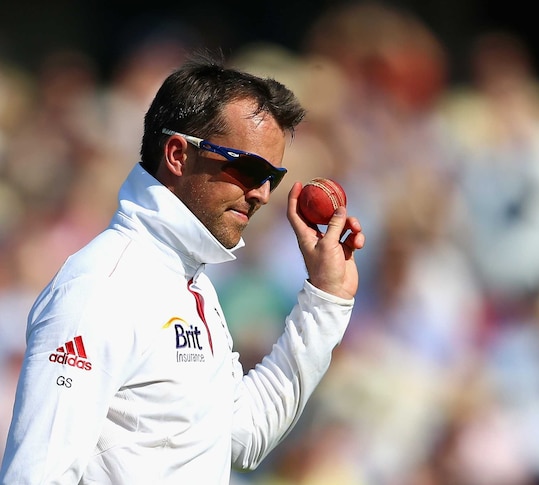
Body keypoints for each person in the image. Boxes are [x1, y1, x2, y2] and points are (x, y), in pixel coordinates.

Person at [0, 50, 364, 484]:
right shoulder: (100, 287)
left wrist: (326, 299)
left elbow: (242, 437)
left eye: (274, 177)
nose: (262, 194)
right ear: (177, 154)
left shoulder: (192, 284)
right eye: (250, 169)